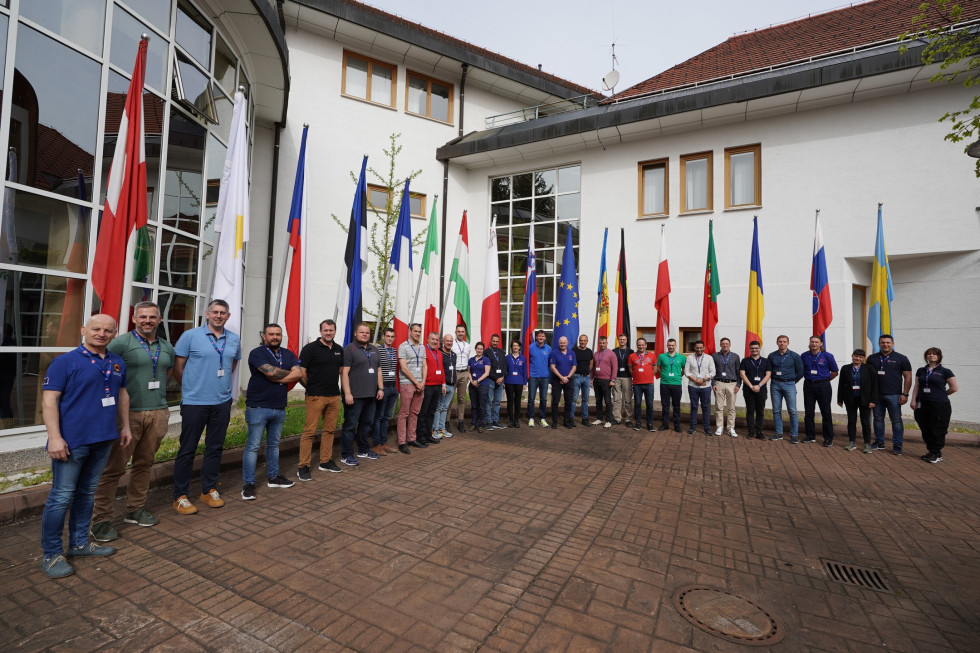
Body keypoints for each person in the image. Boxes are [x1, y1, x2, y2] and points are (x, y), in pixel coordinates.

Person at [39, 315, 132, 578]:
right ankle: (51, 555)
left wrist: (125, 426)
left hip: (103, 438)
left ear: (114, 334)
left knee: (87, 493)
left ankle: (79, 543)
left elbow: (122, 394)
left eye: (107, 330)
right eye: (96, 329)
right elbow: (49, 402)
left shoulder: (116, 362)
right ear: (84, 330)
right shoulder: (64, 362)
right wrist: (55, 437)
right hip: (72, 442)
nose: (101, 334)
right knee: (61, 497)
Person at [92, 302, 175, 542]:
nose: (147, 320)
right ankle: (101, 519)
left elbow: (165, 372)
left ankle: (135, 509)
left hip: (158, 411)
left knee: (144, 464)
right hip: (128, 415)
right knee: (113, 469)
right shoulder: (121, 343)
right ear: (134, 319)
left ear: (159, 320)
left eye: (152, 317)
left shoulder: (166, 346)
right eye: (143, 317)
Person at [172, 300, 242, 515]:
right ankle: (180, 496)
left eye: (223, 313)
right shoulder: (190, 336)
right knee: (187, 449)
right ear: (207, 314)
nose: (218, 316)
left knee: (215, 448)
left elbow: (231, 365)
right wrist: (193, 388)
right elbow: (178, 367)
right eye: (215, 312)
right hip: (195, 402)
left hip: (221, 402)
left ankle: (208, 490)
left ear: (228, 316)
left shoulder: (234, 339)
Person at [241, 324, 303, 500]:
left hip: (279, 406)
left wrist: (277, 376)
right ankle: (248, 484)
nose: (275, 337)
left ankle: (274, 477)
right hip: (258, 407)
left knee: (274, 445)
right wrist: (282, 375)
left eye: (278, 334)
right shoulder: (257, 353)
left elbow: (297, 374)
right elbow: (271, 372)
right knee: (253, 447)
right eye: (271, 334)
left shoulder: (288, 354)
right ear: (264, 336)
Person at [297, 319, 345, 481]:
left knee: (329, 431)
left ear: (335, 331)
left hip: (334, 396)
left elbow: (340, 372)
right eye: (325, 330)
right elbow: (301, 372)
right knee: (309, 432)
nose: (328, 333)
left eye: (331, 330)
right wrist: (310, 388)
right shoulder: (310, 349)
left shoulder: (339, 350)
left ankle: (325, 461)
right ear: (320, 331)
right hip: (315, 396)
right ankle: (303, 466)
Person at [340, 323, 385, 465]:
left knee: (367, 424)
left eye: (367, 332)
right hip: (354, 396)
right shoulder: (349, 349)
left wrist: (381, 388)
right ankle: (346, 455)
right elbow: (344, 373)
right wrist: (347, 393)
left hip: (371, 395)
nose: (365, 334)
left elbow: (378, 371)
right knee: (350, 426)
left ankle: (363, 449)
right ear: (355, 333)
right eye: (362, 332)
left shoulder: (374, 349)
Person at [867, 334, 913, 455]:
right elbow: (868, 378)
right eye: (882, 342)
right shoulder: (872, 358)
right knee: (877, 419)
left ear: (893, 344)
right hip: (877, 395)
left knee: (896, 420)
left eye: (888, 342)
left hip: (895, 395)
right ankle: (879, 442)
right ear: (879, 344)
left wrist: (905, 394)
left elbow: (908, 377)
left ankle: (897, 445)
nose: (885, 344)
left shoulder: (901, 358)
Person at [911, 347, 957, 464]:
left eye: (934, 354)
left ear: (939, 356)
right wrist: (913, 400)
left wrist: (942, 394)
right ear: (926, 356)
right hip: (922, 403)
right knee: (925, 427)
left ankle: (935, 452)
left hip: (939, 405)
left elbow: (954, 388)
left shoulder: (945, 371)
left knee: (937, 428)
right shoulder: (921, 370)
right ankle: (933, 451)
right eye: (929, 354)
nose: (931, 356)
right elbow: (916, 386)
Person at [836, 349, 878, 453]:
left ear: (863, 358)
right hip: (850, 399)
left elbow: (874, 385)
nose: (858, 358)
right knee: (851, 421)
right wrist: (840, 399)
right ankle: (852, 442)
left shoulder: (869, 368)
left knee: (865, 422)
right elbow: (841, 384)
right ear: (852, 356)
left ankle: (867, 444)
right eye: (856, 356)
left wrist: (873, 400)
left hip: (865, 400)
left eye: (860, 357)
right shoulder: (845, 368)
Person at [801, 336, 839, 446]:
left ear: (821, 343)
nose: (814, 344)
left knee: (826, 412)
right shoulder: (804, 355)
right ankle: (810, 436)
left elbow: (835, 371)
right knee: (809, 412)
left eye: (816, 342)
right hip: (808, 385)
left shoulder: (828, 356)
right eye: (812, 342)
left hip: (823, 385)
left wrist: (825, 379)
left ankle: (828, 438)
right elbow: (800, 369)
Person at [768, 335, 804, 444]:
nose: (782, 343)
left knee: (792, 410)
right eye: (780, 341)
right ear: (777, 343)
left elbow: (800, 371)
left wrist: (792, 381)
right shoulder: (772, 356)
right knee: (776, 410)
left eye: (784, 341)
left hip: (789, 384)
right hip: (775, 384)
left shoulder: (795, 356)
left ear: (788, 343)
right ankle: (779, 433)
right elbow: (769, 371)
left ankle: (794, 434)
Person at [396, 323, 426, 450]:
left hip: (420, 385)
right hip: (407, 383)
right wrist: (416, 382)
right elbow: (403, 368)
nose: (417, 334)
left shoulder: (422, 347)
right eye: (415, 331)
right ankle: (402, 442)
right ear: (410, 331)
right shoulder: (403, 346)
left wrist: (423, 382)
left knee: (415, 413)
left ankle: (412, 438)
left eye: (419, 331)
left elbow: (425, 365)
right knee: (404, 413)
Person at [372, 328, 400, 455]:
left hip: (393, 388)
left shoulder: (394, 351)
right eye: (387, 336)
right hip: (383, 388)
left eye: (392, 336)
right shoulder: (377, 350)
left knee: (386, 417)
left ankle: (384, 443)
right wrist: (380, 388)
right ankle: (376, 445)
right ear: (383, 337)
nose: (390, 338)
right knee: (378, 417)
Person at [416, 332, 446, 449]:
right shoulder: (423, 351)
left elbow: (442, 369)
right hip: (427, 386)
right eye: (432, 339)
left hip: (437, 386)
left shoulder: (439, 352)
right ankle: (421, 436)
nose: (434, 341)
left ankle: (429, 434)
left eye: (436, 340)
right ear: (428, 340)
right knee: (423, 412)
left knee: (431, 412)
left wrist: (443, 384)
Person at [739, 341, 771, 440]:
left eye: (756, 348)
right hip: (748, 390)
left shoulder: (766, 361)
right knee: (750, 411)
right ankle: (751, 432)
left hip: (761, 390)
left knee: (760, 412)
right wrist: (751, 386)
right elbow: (742, 374)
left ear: (759, 349)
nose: (754, 350)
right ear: (749, 349)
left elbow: (768, 374)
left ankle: (759, 432)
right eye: (752, 348)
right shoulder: (745, 361)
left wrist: (759, 386)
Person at [711, 337, 740, 437]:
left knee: (731, 407)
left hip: (732, 383)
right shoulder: (714, 356)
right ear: (720, 345)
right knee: (719, 406)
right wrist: (713, 383)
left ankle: (731, 428)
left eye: (727, 343)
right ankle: (719, 427)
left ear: (730, 345)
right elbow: (712, 371)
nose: (725, 345)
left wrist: (738, 384)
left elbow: (738, 371)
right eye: (723, 343)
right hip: (719, 382)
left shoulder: (735, 356)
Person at [685, 340, 715, 435]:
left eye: (700, 347)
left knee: (705, 407)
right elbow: (686, 372)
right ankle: (692, 427)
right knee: (694, 407)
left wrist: (703, 380)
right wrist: (696, 380)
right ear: (694, 348)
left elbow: (713, 372)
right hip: (693, 386)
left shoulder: (709, 358)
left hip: (705, 387)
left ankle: (707, 428)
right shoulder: (689, 358)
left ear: (704, 348)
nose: (699, 349)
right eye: (697, 347)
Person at [548, 335, 577, 429]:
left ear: (567, 343)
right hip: (557, 380)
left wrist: (567, 377)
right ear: (559, 343)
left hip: (568, 380)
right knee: (555, 401)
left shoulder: (572, 353)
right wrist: (561, 377)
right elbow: (552, 367)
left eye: (564, 342)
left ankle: (566, 421)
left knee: (568, 401)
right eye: (561, 342)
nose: (562, 344)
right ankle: (555, 421)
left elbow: (574, 367)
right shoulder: (554, 353)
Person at [432, 334, 457, 439]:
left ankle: (442, 429)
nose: (449, 343)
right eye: (447, 341)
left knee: (445, 408)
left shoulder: (454, 354)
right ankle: (435, 429)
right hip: (443, 385)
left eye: (451, 341)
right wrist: (442, 384)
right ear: (443, 341)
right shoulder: (439, 353)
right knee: (439, 407)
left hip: (451, 386)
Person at [628, 338, 656, 432]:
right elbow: (631, 370)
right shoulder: (632, 356)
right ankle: (638, 423)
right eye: (639, 345)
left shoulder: (652, 355)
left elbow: (654, 369)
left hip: (649, 384)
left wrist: (648, 376)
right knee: (637, 404)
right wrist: (637, 376)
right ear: (637, 345)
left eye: (643, 344)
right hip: (637, 384)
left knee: (650, 404)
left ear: (646, 345)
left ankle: (649, 424)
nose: (641, 346)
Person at [657, 338, 684, 432]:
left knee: (676, 405)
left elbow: (684, 369)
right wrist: (664, 375)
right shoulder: (661, 356)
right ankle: (665, 424)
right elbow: (659, 368)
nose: (671, 347)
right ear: (667, 346)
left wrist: (679, 376)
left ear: (676, 346)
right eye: (669, 345)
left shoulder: (681, 357)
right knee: (665, 405)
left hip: (677, 384)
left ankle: (677, 425)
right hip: (664, 384)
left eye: (673, 345)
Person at [526, 330, 551, 427]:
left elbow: (550, 363)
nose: (541, 338)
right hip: (533, 376)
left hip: (544, 377)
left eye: (543, 336)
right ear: (536, 337)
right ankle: (531, 418)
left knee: (543, 399)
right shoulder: (530, 347)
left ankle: (542, 418)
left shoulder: (549, 349)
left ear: (545, 338)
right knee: (531, 398)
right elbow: (527, 362)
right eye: (539, 336)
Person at [450, 325, 471, 433]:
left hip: (464, 373)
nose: (461, 333)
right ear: (455, 332)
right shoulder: (451, 344)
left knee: (461, 399)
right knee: (450, 398)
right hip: (454, 373)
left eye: (462, 331)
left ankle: (461, 421)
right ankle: (446, 422)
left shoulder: (468, 346)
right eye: (459, 331)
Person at [591, 335, 616, 428]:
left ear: (607, 343)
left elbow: (615, 368)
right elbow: (593, 368)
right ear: (598, 344)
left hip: (606, 381)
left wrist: (613, 380)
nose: (602, 344)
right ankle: (599, 418)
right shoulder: (595, 354)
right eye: (600, 343)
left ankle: (609, 420)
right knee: (598, 400)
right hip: (596, 380)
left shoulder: (611, 354)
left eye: (603, 343)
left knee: (608, 401)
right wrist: (591, 379)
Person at [484, 334, 507, 429]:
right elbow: (487, 368)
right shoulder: (486, 352)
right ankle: (489, 422)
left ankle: (495, 420)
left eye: (497, 341)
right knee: (488, 401)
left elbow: (505, 366)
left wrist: (502, 377)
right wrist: (495, 378)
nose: (495, 343)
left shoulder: (502, 352)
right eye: (493, 341)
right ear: (491, 341)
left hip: (500, 380)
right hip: (490, 379)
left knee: (497, 401)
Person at [612, 334, 634, 427]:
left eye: (624, 339)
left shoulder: (631, 351)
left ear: (626, 340)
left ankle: (628, 419)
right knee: (616, 399)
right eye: (620, 339)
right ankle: (617, 418)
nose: (622, 341)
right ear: (618, 340)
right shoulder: (614, 351)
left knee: (627, 399)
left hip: (627, 378)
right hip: (616, 377)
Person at [468, 342, 491, 432]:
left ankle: (481, 424)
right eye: (478, 348)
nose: (479, 350)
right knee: (474, 406)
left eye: (481, 349)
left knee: (481, 406)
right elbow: (469, 372)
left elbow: (487, 373)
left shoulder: (486, 360)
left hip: (483, 385)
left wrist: (477, 381)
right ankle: (473, 423)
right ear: (475, 349)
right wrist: (471, 381)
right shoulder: (471, 359)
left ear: (483, 350)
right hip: (472, 385)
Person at [572, 334, 594, 426]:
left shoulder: (589, 351)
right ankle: (571, 418)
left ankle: (585, 419)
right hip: (576, 377)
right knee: (573, 399)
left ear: (587, 341)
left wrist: (587, 371)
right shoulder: (574, 351)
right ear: (579, 341)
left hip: (586, 378)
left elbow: (591, 363)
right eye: (581, 340)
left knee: (585, 399)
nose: (582, 342)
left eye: (584, 341)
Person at [504, 340, 527, 428]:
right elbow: (505, 370)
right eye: (514, 346)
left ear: (519, 347)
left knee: (517, 402)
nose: (515, 347)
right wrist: (504, 382)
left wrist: (525, 383)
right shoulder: (507, 357)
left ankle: (516, 420)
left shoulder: (523, 358)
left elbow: (524, 371)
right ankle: (510, 420)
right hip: (509, 381)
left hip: (519, 382)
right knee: (510, 401)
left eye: (517, 346)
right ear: (511, 347)